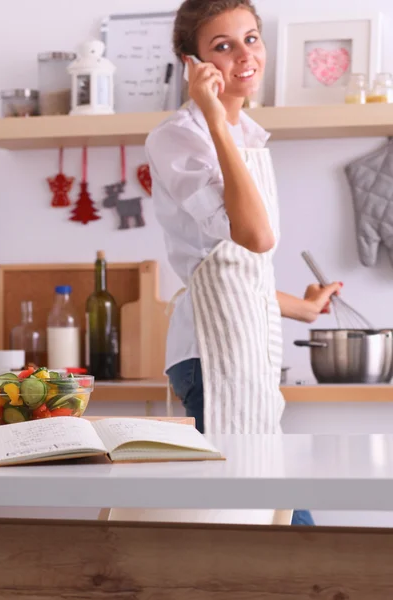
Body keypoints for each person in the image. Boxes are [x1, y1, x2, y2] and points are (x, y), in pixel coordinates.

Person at [145, 0, 341, 526]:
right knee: (247, 512)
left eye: (251, 38)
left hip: (246, 341)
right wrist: (213, 114)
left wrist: (302, 308)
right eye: (222, 46)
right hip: (210, 354)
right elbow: (254, 236)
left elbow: (234, 270)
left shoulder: (248, 135)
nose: (244, 56)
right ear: (192, 63)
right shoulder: (178, 137)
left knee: (270, 508)